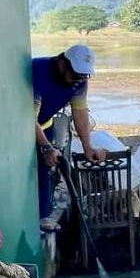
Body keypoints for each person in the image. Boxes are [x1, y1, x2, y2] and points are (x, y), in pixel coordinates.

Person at [34, 44, 107, 232]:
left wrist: (88, 147)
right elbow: (27, 118)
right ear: (62, 64)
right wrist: (46, 147)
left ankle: (43, 217)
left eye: (84, 76)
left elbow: (80, 112)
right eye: (76, 75)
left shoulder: (79, 81)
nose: (78, 80)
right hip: (24, 125)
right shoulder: (39, 72)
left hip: (45, 124)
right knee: (33, 166)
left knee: (48, 169)